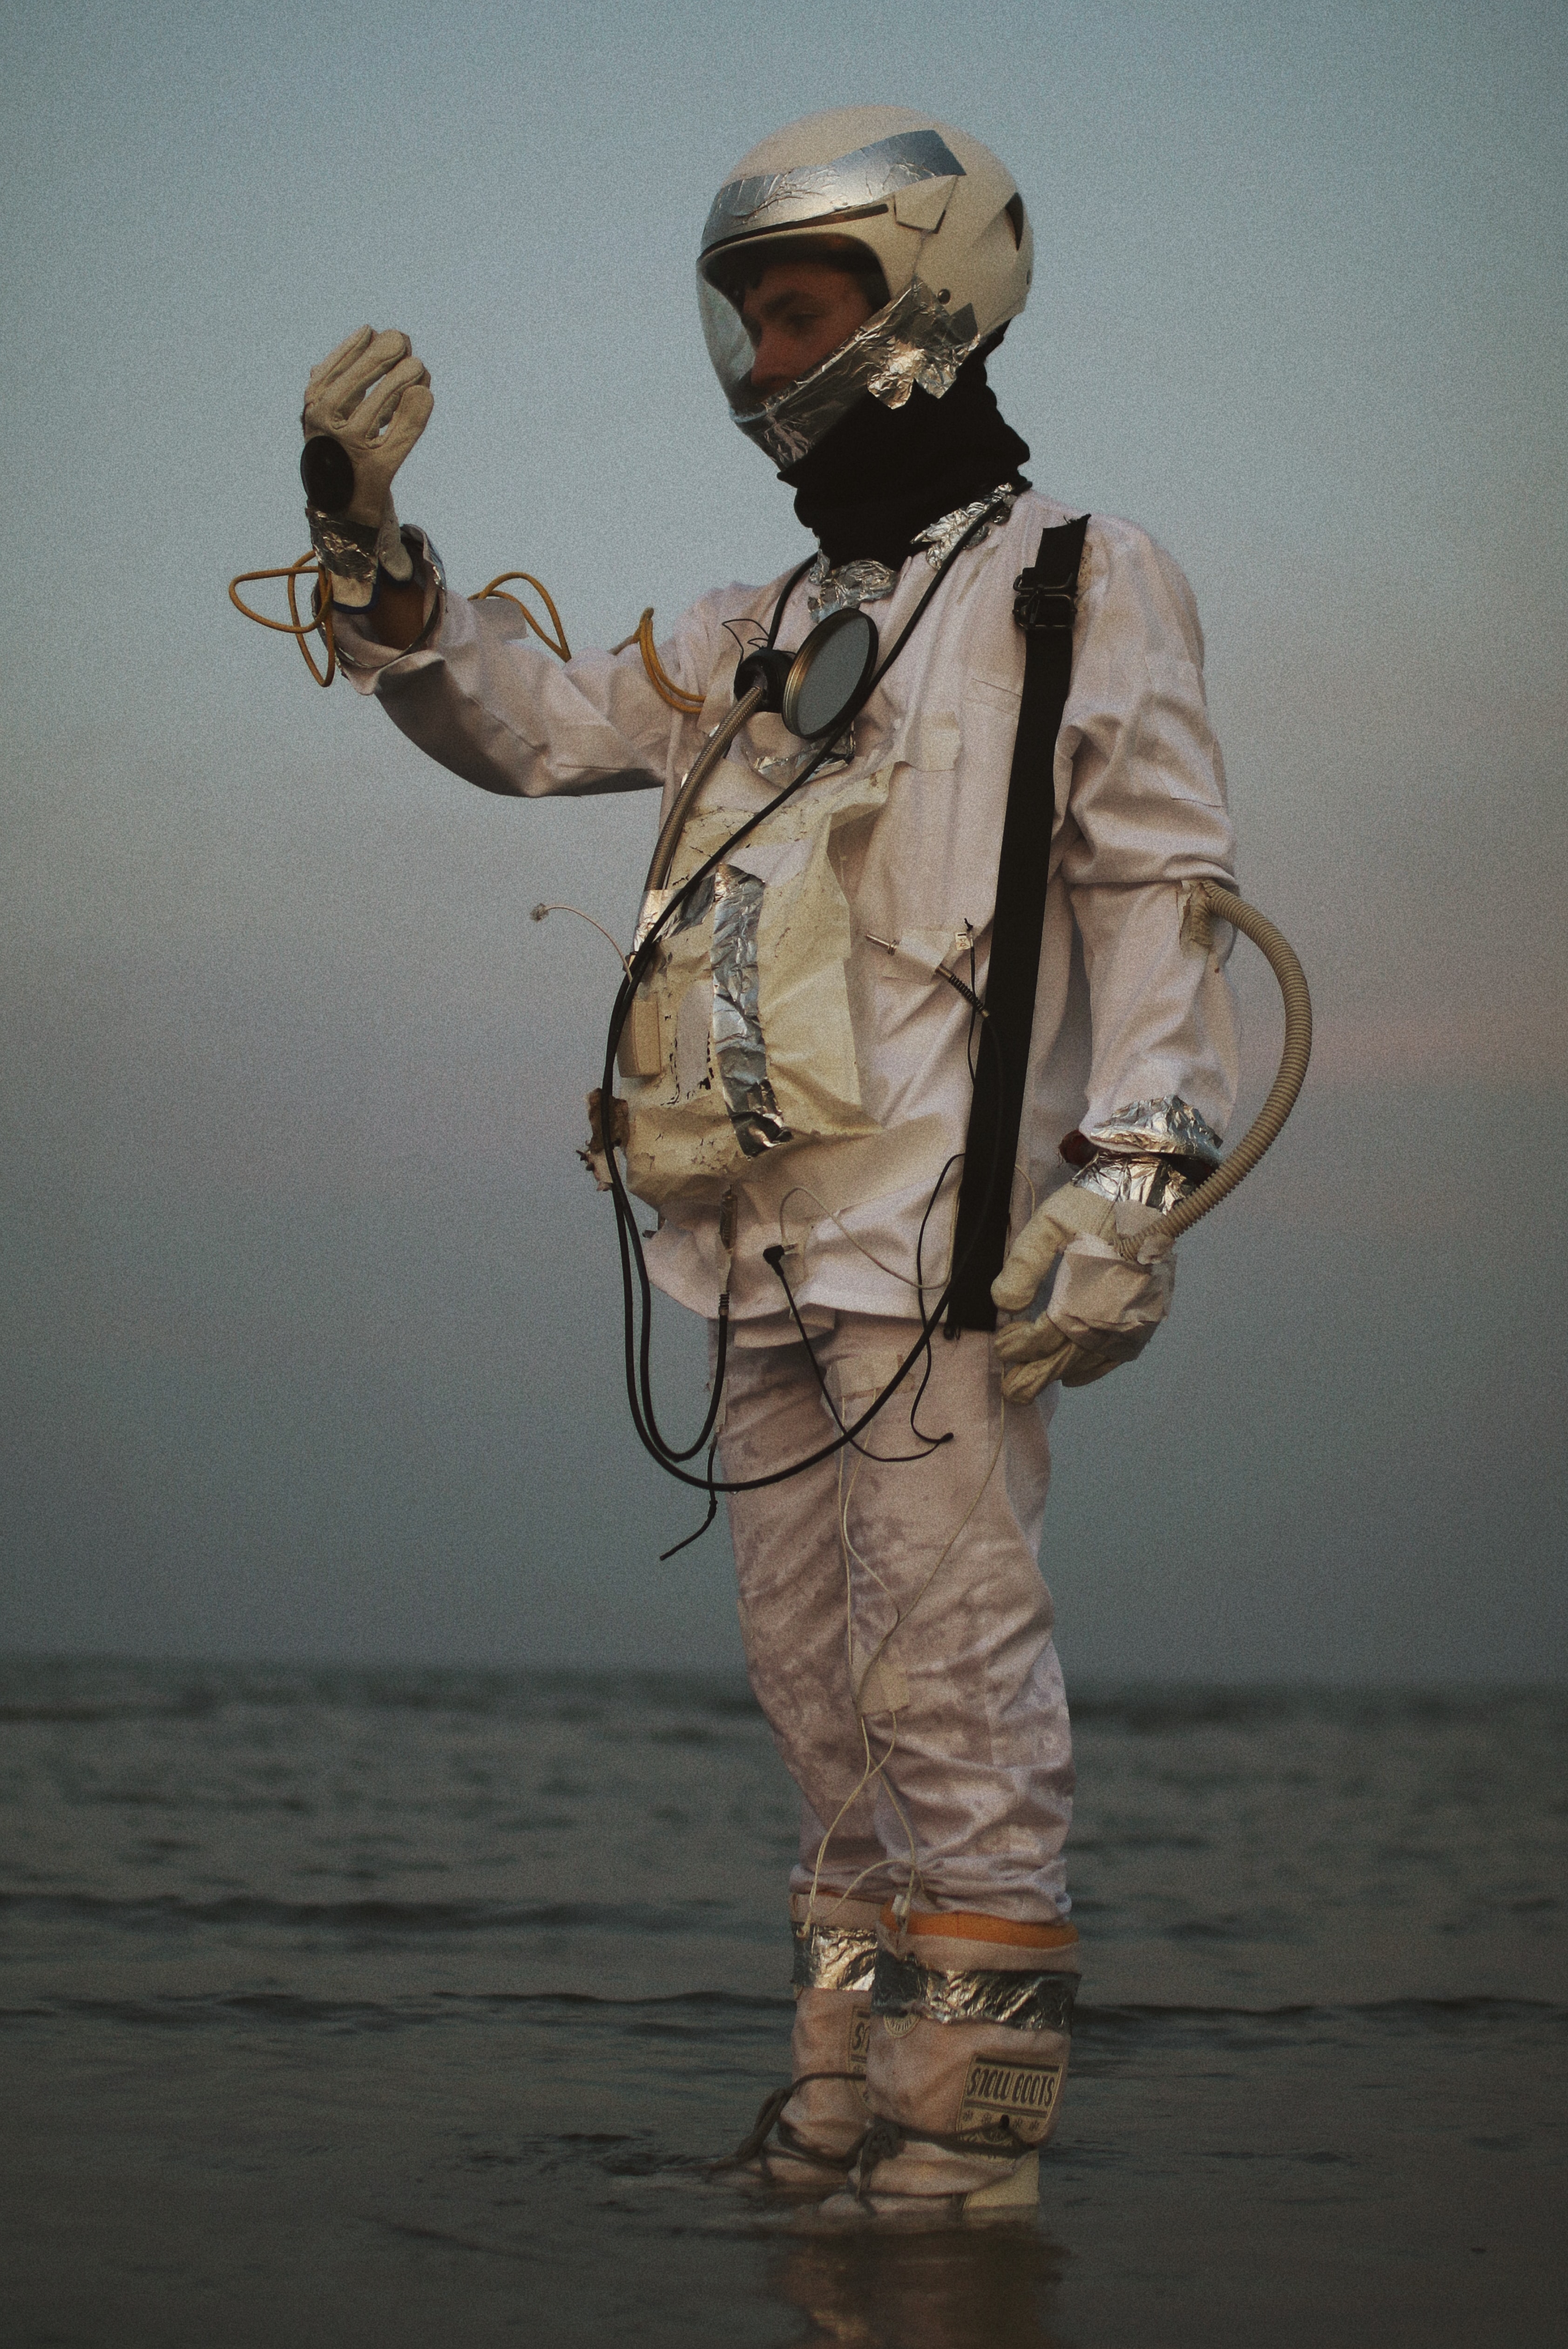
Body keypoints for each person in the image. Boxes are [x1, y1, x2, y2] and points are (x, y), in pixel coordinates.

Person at [299, 106, 1239, 2220]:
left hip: (940, 1246)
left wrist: (1136, 1178)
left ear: (927, 296)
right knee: (822, 1696)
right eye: (740, 323)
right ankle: (836, 2094)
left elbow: (1159, 882)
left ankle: (963, 2151)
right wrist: (377, 554)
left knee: (953, 1678)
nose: (757, 365)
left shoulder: (1077, 576)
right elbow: (527, 723)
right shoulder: (753, 622)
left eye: (793, 312)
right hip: (744, 1243)